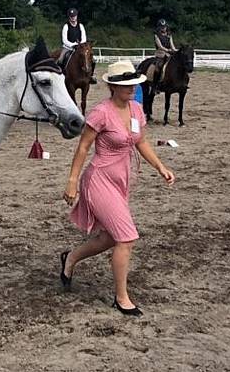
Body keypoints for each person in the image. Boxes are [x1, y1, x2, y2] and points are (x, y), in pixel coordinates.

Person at [60, 60, 175, 317]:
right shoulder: (101, 112)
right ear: (112, 86)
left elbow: (141, 141)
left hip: (122, 180)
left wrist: (160, 167)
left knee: (111, 237)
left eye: (133, 83)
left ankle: (71, 258)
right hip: (99, 179)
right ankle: (122, 298)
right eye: (125, 85)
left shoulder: (136, 109)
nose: (131, 88)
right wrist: (71, 182)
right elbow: (83, 148)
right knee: (126, 237)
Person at [59, 8, 97, 83]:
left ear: (76, 16)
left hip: (80, 47)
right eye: (71, 16)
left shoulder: (81, 26)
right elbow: (64, 40)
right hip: (68, 47)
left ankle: (91, 76)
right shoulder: (66, 26)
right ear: (69, 17)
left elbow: (83, 38)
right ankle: (61, 75)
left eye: (74, 16)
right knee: (60, 59)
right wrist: (73, 45)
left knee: (93, 59)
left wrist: (80, 44)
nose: (73, 18)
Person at [153, 19, 177, 84]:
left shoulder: (169, 35)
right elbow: (160, 46)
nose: (164, 28)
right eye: (162, 27)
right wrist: (167, 50)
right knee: (158, 67)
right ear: (159, 27)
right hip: (160, 53)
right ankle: (155, 84)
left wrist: (176, 51)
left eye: (165, 27)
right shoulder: (156, 35)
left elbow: (172, 45)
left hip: (169, 53)